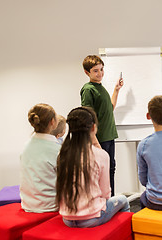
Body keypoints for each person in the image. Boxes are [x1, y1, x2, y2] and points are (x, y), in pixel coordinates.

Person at [56, 106, 130, 228]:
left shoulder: (63, 154)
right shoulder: (100, 155)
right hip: (91, 218)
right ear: (93, 127)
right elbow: (106, 194)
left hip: (67, 219)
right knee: (123, 200)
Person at [80, 55, 123, 196]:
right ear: (87, 73)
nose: (100, 73)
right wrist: (95, 141)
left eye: (101, 69)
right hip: (100, 138)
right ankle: (104, 201)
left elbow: (110, 107)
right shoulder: (88, 89)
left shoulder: (100, 88)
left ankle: (112, 199)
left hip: (109, 135)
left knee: (111, 169)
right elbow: (87, 118)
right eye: (95, 71)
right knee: (103, 171)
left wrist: (116, 90)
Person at [20, 103, 60, 212]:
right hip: (50, 206)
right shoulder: (56, 149)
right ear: (52, 122)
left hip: (28, 204)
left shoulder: (26, 146)